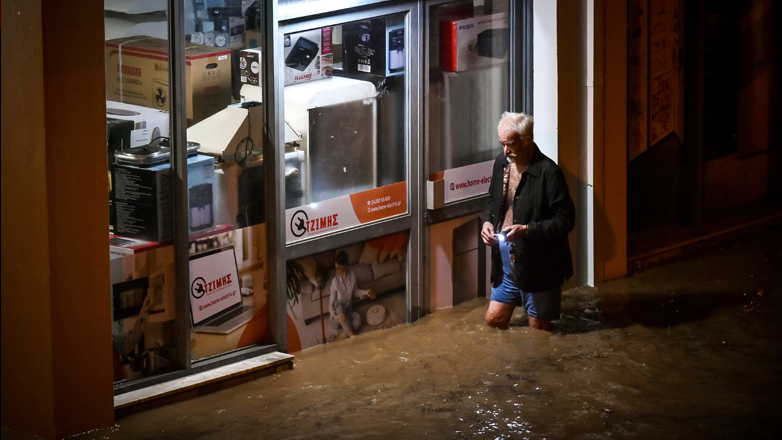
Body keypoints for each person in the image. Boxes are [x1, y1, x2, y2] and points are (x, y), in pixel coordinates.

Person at [481, 112, 575, 331]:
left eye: (510, 144)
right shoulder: (501, 163)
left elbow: (566, 219)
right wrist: (487, 222)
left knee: (539, 330)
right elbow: (492, 199)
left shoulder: (549, 172)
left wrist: (528, 230)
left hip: (540, 266)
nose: (505, 151)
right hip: (506, 262)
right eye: (502, 144)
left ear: (528, 139)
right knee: (494, 321)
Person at [329, 250, 376, 337]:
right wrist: (336, 317)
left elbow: (355, 292)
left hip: (348, 313)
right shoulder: (335, 282)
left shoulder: (352, 276)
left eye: (339, 268)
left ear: (345, 265)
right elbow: (330, 305)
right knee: (339, 308)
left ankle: (342, 336)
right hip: (337, 317)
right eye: (336, 268)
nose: (336, 271)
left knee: (358, 320)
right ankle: (353, 337)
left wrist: (365, 292)